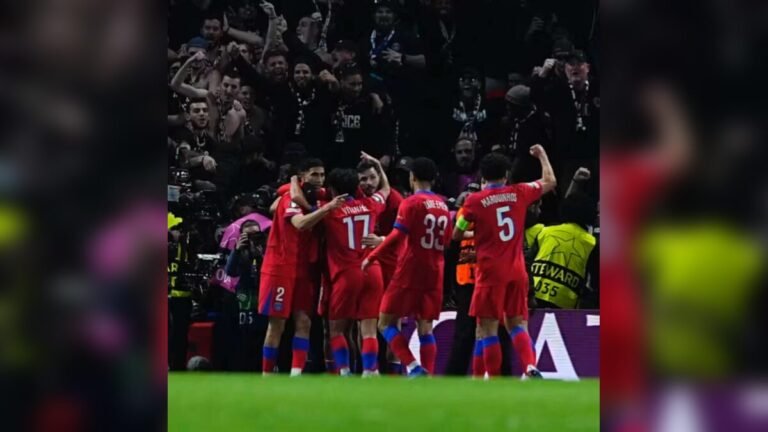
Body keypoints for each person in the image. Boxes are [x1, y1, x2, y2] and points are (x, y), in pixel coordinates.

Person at [452, 146, 556, 378]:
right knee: (517, 324)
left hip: (490, 273)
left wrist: (475, 233)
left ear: (483, 176)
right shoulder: (519, 192)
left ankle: (494, 379)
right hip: (517, 271)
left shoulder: (474, 201)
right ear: (506, 175)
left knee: (487, 330)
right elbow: (550, 181)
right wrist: (542, 154)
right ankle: (530, 366)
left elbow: (457, 234)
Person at [363, 157, 451, 376]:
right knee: (425, 327)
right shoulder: (443, 205)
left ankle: (413, 366)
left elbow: (396, 236)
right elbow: (448, 240)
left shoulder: (411, 202)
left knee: (384, 323)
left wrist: (372, 256)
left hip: (410, 269)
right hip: (435, 271)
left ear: (412, 177)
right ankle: (428, 375)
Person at [258, 158, 346, 376]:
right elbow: (300, 224)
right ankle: (266, 375)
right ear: (303, 176)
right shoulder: (290, 197)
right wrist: (326, 209)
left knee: (304, 322)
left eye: (322, 174)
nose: (319, 179)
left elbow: (274, 206)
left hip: (306, 269)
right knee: (277, 324)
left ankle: (296, 375)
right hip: (281, 268)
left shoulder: (317, 196)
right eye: (314, 174)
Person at [317, 153, 391, 376]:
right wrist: (378, 165)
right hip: (372, 270)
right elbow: (386, 189)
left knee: (336, 329)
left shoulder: (329, 210)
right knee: (368, 330)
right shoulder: (370, 204)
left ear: (332, 189)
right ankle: (369, 371)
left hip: (347, 273)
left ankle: (344, 371)